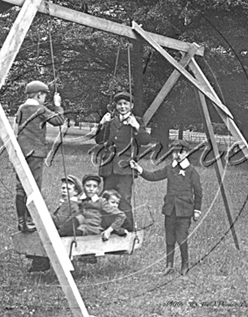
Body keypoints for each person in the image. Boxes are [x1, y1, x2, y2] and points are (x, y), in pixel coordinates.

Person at [130, 140, 202, 277]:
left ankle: (185, 264)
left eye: (181, 152)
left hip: (185, 210)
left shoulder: (191, 171)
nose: (177, 155)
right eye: (174, 152)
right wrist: (139, 169)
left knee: (181, 238)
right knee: (169, 238)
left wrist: (197, 210)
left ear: (187, 153)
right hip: (170, 209)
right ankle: (169, 265)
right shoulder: (170, 168)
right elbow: (154, 176)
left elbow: (198, 191)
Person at [95, 91, 153, 231]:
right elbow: (99, 140)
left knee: (124, 198)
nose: (122, 107)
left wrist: (136, 126)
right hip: (109, 166)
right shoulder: (111, 120)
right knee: (106, 197)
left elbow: (145, 140)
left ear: (131, 106)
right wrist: (101, 124)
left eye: (125, 104)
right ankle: (105, 226)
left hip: (126, 167)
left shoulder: (137, 120)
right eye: (119, 104)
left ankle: (128, 228)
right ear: (116, 106)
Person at [14, 80, 65, 232]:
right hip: (35, 153)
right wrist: (57, 105)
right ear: (39, 95)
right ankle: (30, 221)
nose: (44, 99)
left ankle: (21, 220)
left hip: (21, 152)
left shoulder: (21, 108)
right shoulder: (40, 109)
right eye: (44, 96)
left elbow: (16, 126)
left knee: (21, 187)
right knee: (34, 187)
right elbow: (58, 121)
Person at [78, 175, 126, 241]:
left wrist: (108, 231)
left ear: (98, 189)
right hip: (79, 229)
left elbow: (121, 215)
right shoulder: (78, 200)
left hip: (94, 231)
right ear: (83, 187)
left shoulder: (101, 202)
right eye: (88, 186)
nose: (91, 189)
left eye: (94, 186)